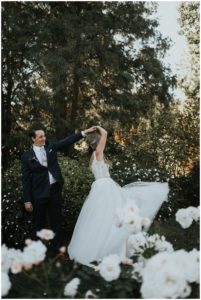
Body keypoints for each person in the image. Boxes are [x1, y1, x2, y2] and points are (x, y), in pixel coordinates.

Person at [68, 126, 169, 266]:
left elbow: (104, 175)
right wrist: (98, 129)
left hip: (104, 187)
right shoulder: (97, 153)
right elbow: (105, 134)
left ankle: (109, 251)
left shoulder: (94, 157)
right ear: (97, 143)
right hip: (104, 189)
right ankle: (108, 252)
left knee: (106, 219)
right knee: (110, 219)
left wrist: (116, 186)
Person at [21, 125, 96, 255]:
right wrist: (27, 200)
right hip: (38, 193)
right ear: (33, 139)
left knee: (56, 221)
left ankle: (59, 251)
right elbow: (26, 180)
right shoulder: (26, 157)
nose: (44, 138)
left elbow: (67, 141)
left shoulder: (51, 146)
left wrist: (84, 132)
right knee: (37, 224)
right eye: (40, 137)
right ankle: (35, 254)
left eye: (44, 136)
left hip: (55, 190)